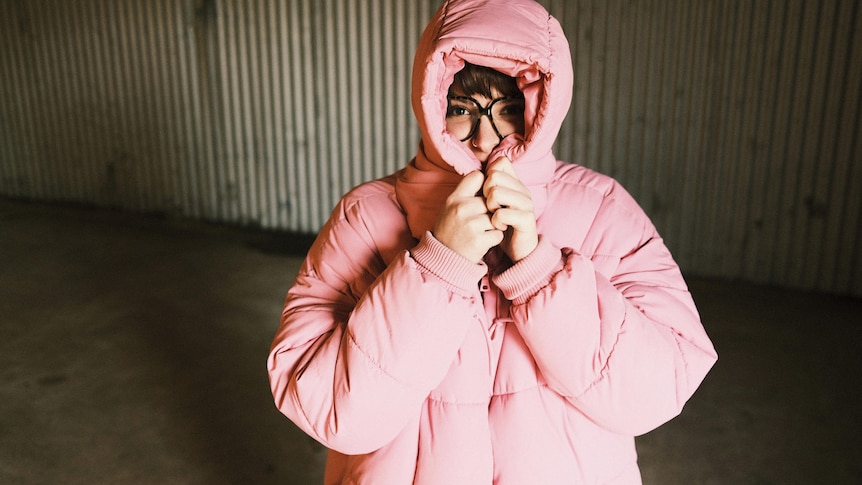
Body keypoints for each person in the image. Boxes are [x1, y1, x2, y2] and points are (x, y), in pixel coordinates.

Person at [267, 0, 718, 483]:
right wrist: (437, 264)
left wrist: (540, 273)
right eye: (462, 109)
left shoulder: (602, 209)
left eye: (508, 109)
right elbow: (326, 409)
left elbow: (658, 390)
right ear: (431, 101)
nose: (484, 138)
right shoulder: (367, 215)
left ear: (542, 108)